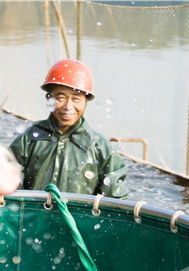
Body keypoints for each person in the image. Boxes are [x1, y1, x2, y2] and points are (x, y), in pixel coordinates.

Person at [9, 59, 129, 199]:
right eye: (61, 98)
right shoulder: (29, 139)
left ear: (86, 100)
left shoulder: (99, 147)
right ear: (49, 98)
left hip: (76, 220)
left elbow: (115, 200)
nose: (68, 106)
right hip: (35, 218)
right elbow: (6, 183)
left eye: (76, 99)